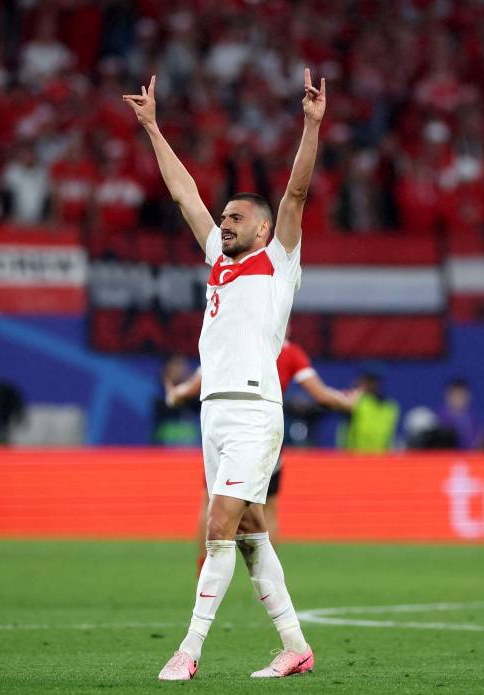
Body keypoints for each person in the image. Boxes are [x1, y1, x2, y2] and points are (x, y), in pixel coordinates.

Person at [123, 69, 326, 680]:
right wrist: (154, 128)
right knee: (249, 533)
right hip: (213, 411)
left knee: (217, 525)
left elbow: (295, 195)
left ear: (262, 230)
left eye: (236, 218)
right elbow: (185, 194)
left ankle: (188, 651)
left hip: (254, 409)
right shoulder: (218, 260)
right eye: (226, 218)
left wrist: (312, 127)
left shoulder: (278, 261)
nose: (226, 223)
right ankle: (295, 647)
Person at [166, 338, 358, 569]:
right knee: (269, 508)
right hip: (264, 431)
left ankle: (205, 566)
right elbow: (322, 395)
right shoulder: (288, 351)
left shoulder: (228, 339)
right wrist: (347, 402)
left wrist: (175, 394)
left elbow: (193, 386)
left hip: (227, 429)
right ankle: (267, 575)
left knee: (210, 499)